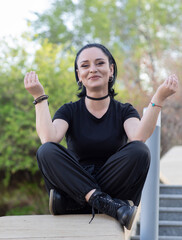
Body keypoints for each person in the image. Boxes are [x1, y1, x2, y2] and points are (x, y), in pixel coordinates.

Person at [24, 43, 178, 230]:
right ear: (78, 75)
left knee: (140, 150)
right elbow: (48, 138)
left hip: (110, 185)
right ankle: (104, 203)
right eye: (85, 65)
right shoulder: (69, 110)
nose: (93, 69)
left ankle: (79, 203)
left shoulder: (124, 110)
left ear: (111, 70)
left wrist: (159, 98)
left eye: (99, 63)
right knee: (46, 150)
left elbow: (139, 136)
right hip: (75, 183)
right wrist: (39, 97)